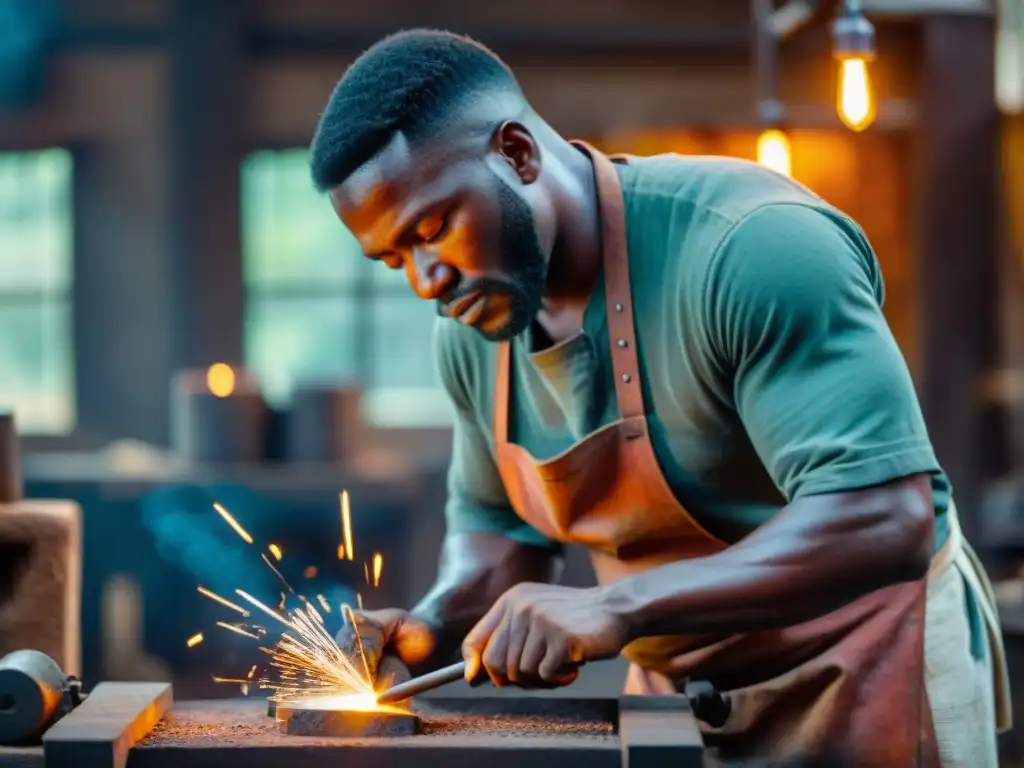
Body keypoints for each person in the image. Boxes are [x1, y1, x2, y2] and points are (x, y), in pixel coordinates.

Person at [311, 28, 1010, 766]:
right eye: (395, 259)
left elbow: (887, 515)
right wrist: (428, 627)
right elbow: (498, 539)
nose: (427, 280)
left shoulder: (751, 247)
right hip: (683, 699)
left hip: (870, 667)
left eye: (433, 228)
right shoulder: (473, 331)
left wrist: (613, 606)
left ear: (516, 154)